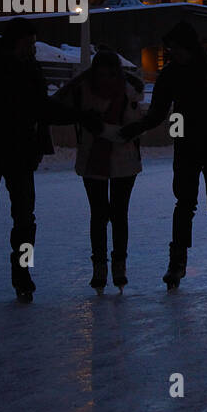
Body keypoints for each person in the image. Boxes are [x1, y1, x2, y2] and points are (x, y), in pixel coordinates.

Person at [0, 17, 99, 303]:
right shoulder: (7, 72)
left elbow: (40, 109)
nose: (33, 48)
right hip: (2, 155)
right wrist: (78, 116)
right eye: (29, 43)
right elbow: (41, 109)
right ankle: (13, 273)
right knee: (12, 218)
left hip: (2, 156)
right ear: (16, 41)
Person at [120, 21, 207, 289]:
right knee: (185, 204)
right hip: (187, 144)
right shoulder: (171, 74)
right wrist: (136, 128)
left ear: (187, 46)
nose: (170, 52)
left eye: (174, 48)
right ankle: (177, 265)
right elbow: (158, 112)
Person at [54, 49, 145, 293]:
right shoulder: (87, 90)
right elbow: (56, 107)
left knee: (115, 214)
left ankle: (114, 264)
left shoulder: (124, 91)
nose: (105, 78)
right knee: (102, 214)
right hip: (99, 159)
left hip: (119, 160)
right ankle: (103, 265)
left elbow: (135, 124)